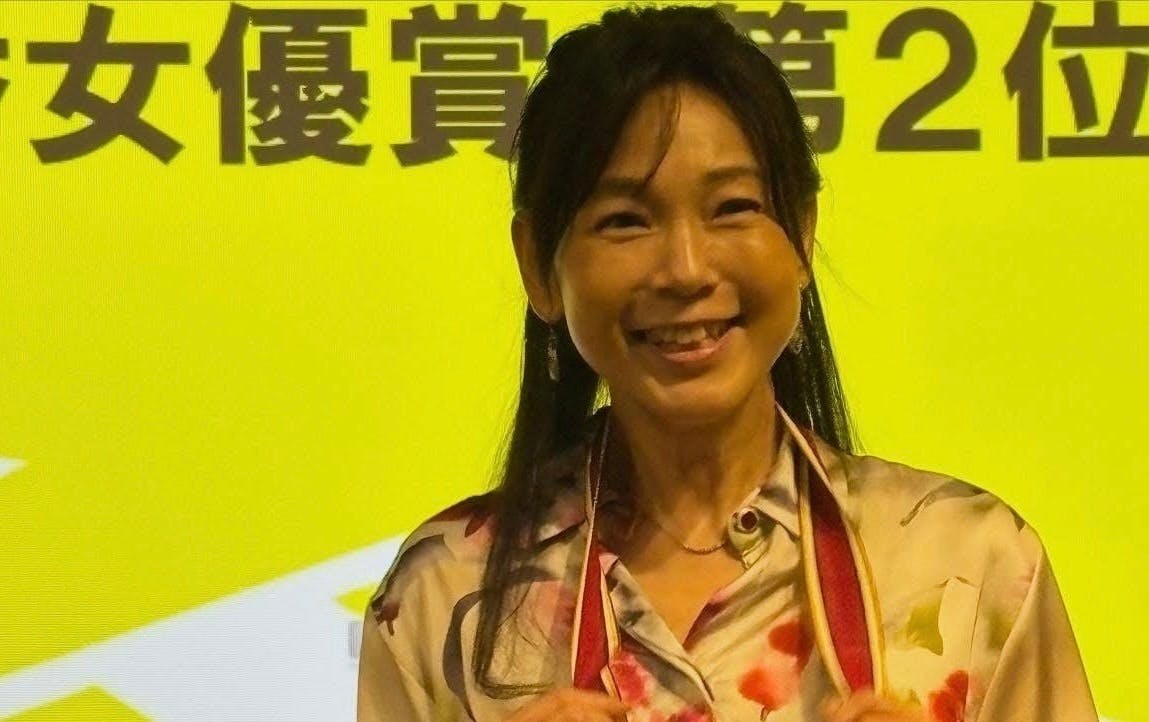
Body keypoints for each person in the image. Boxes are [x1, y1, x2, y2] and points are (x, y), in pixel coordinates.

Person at [357, 5, 1097, 721]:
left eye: (733, 207)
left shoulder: (973, 566)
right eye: (624, 220)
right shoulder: (440, 596)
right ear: (537, 265)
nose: (686, 268)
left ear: (801, 233)